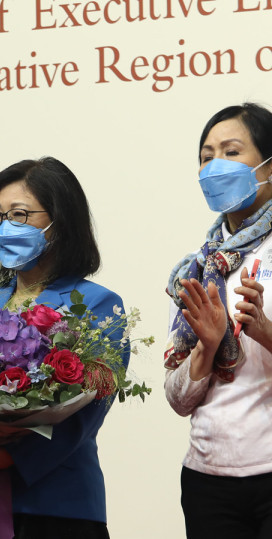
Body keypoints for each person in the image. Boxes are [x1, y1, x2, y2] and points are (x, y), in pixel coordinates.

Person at [0, 157, 127, 538]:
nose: (4, 227)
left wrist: (3, 456)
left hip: (54, 506)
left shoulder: (97, 305)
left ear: (60, 222)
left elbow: (84, 417)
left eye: (19, 215)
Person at [164, 103, 272, 539]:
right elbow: (178, 399)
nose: (215, 166)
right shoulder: (195, 269)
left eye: (231, 152)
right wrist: (206, 349)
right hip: (207, 479)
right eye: (206, 156)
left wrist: (265, 333)